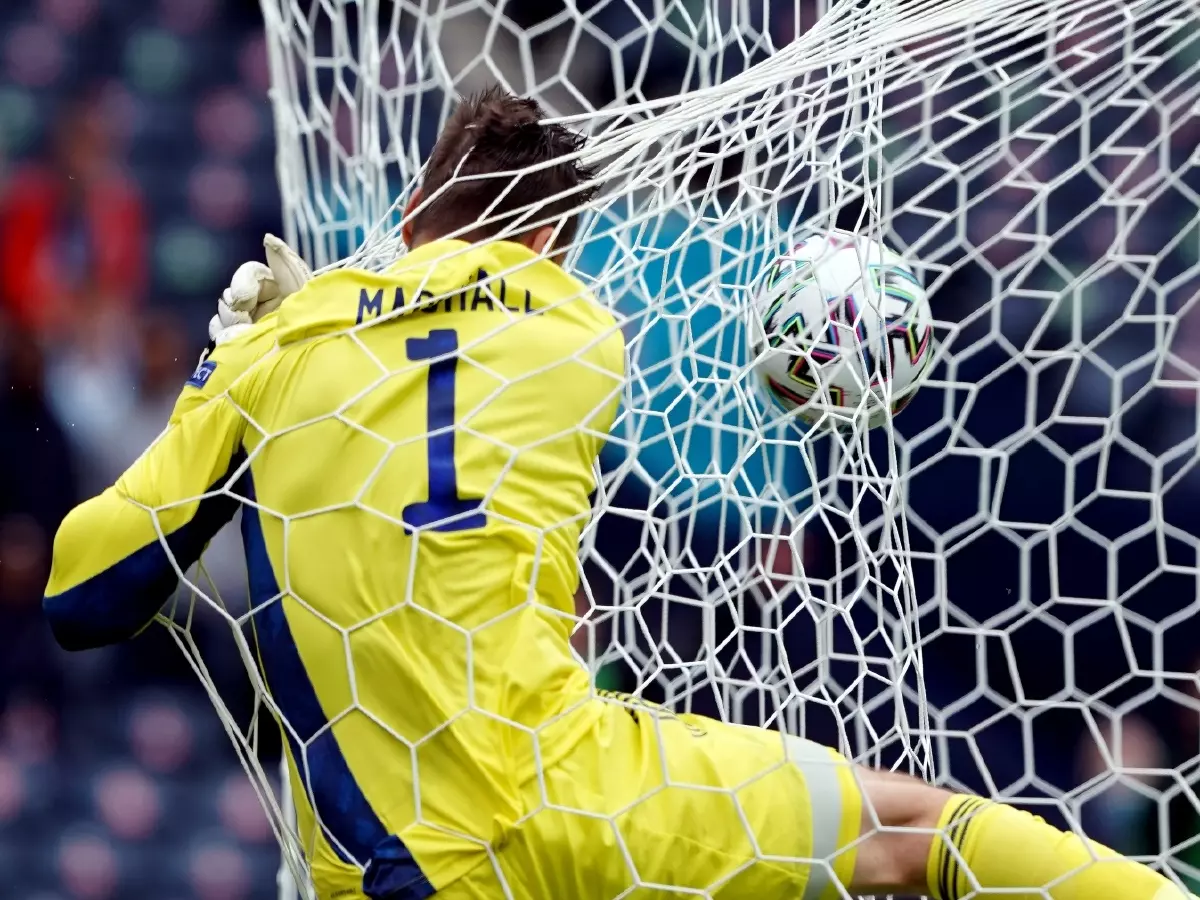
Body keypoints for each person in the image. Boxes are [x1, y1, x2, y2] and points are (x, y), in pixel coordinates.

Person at [43, 87, 1192, 900]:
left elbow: (87, 597)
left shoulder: (286, 347)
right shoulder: (581, 332)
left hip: (394, 857)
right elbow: (591, 516)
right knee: (912, 832)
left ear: (409, 217)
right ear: (549, 238)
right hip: (586, 793)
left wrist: (226, 375)